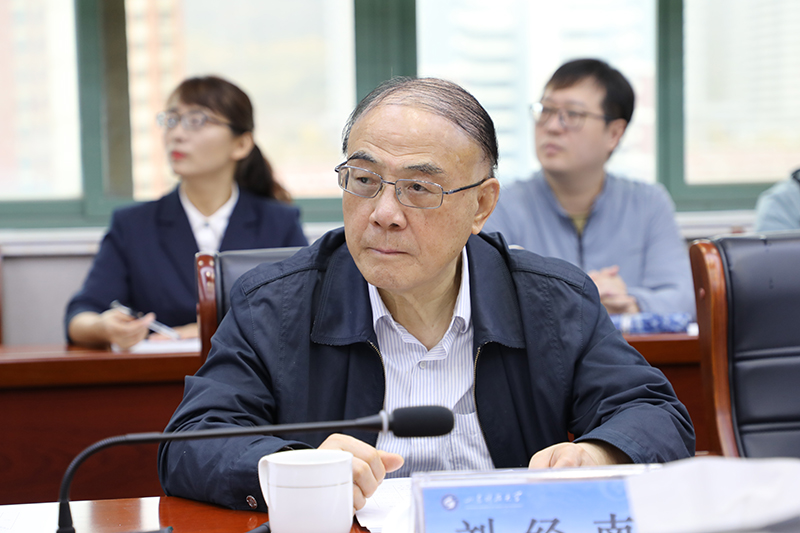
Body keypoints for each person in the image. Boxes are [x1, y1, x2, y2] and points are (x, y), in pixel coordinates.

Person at [158, 77, 694, 512]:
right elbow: (190, 445)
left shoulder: (552, 300)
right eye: (364, 180)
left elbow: (656, 414)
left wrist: (599, 455)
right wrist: (292, 466)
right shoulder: (274, 304)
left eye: (418, 188)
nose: (384, 213)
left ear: (481, 206)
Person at [65, 76, 308, 349]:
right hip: (164, 373)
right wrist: (103, 327)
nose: (177, 134)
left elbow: (305, 311)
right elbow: (81, 314)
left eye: (196, 121)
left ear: (241, 144)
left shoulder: (278, 222)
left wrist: (210, 331)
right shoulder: (133, 225)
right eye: (171, 120)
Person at [485, 59, 694, 317]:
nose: (552, 126)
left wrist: (629, 302)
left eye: (573, 115)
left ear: (614, 134)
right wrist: (585, 296)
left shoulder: (649, 203)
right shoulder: (500, 203)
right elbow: (486, 298)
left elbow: (683, 299)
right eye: (546, 110)